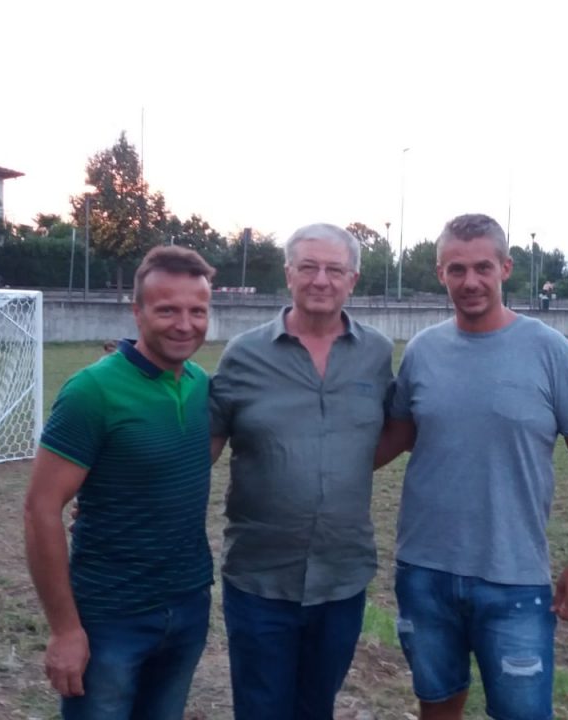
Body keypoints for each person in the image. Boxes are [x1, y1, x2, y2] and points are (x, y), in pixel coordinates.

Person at [375, 213, 568, 720]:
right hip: (424, 572)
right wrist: (310, 454)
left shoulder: (549, 351)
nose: (470, 282)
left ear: (505, 267)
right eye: (456, 270)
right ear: (440, 274)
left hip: (514, 578)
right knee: (436, 707)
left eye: (483, 267)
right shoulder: (423, 351)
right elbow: (398, 435)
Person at [209, 223, 394, 720]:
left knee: (317, 707)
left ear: (352, 279)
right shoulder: (244, 355)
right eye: (308, 267)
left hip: (343, 576)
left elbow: (402, 428)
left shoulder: (376, 354)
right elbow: (202, 446)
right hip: (259, 578)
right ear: (288, 273)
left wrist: (344, 465)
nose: (321, 280)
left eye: (334, 269)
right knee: (262, 707)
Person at [24, 246, 217, 720]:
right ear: (137, 311)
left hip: (189, 605)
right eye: (167, 309)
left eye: (198, 311)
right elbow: (40, 509)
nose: (184, 324)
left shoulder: (202, 386)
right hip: (111, 615)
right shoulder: (92, 392)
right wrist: (66, 629)